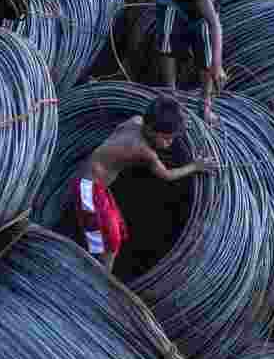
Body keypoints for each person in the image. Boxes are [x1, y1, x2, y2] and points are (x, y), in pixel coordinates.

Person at [60, 95, 218, 273]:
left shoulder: (136, 121)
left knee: (113, 231)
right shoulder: (144, 150)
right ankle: (102, 277)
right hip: (89, 190)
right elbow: (167, 175)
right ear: (151, 130)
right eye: (167, 139)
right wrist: (194, 166)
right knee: (109, 242)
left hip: (94, 185)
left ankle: (100, 263)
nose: (170, 143)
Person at [133, 0, 227, 126]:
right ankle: (171, 94)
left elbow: (214, 25)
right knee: (166, 34)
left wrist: (217, 64)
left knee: (203, 38)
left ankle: (205, 105)